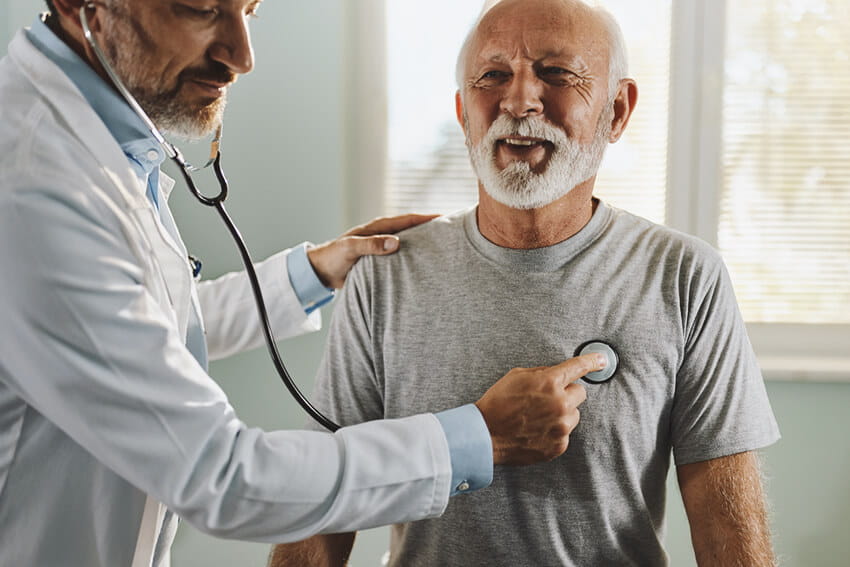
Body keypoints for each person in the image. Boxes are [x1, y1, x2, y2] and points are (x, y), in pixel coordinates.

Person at [0, 1, 609, 565]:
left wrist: (315, 271)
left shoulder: (101, 145)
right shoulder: (33, 186)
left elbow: (125, 330)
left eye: (249, 9)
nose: (241, 55)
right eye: (202, 8)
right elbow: (223, 477)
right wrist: (478, 436)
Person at [269, 0, 781, 565]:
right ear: (463, 113)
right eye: (493, 77)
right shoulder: (385, 277)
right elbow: (322, 502)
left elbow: (727, 523)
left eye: (557, 73)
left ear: (617, 110)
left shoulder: (686, 277)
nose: (518, 102)